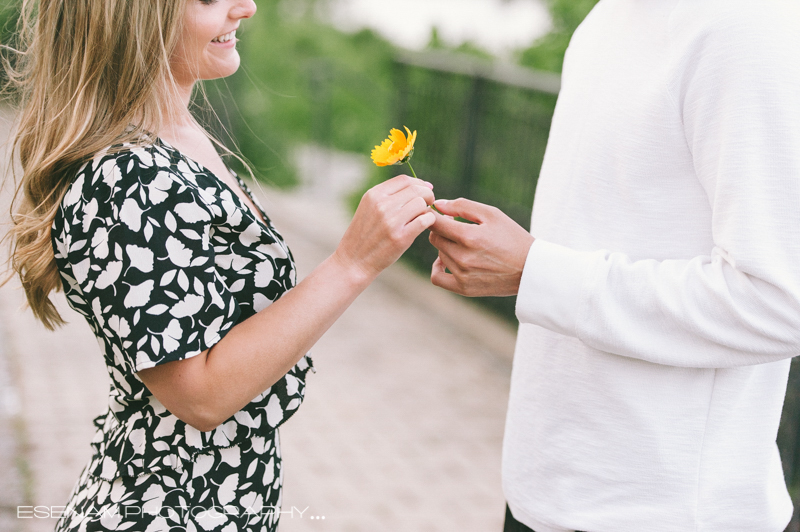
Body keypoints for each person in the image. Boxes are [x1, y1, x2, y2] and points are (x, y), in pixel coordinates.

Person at [3, 1, 436, 530]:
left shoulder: (180, 139)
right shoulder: (127, 179)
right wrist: (352, 263)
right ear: (136, 16)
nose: (246, 6)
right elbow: (200, 396)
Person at [428, 1, 800, 531]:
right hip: (542, 497)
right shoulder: (605, 18)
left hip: (667, 516)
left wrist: (535, 272)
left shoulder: (750, 24)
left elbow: (784, 301)